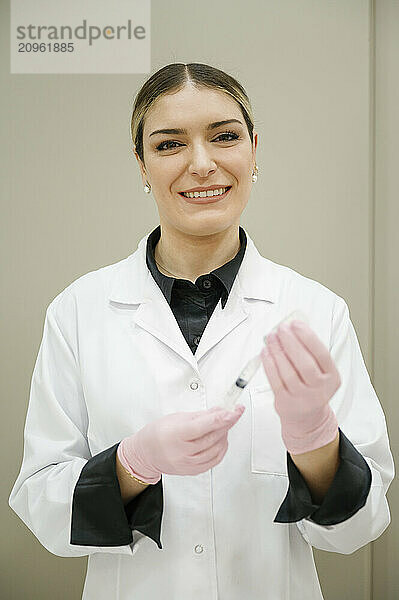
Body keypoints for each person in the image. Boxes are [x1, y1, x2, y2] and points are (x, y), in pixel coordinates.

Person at [9, 62, 394, 600]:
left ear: (254, 150)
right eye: (169, 145)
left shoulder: (315, 310)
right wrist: (132, 463)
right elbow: (42, 507)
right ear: (142, 165)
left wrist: (316, 439)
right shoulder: (78, 311)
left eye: (225, 137)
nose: (202, 164)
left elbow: (360, 528)